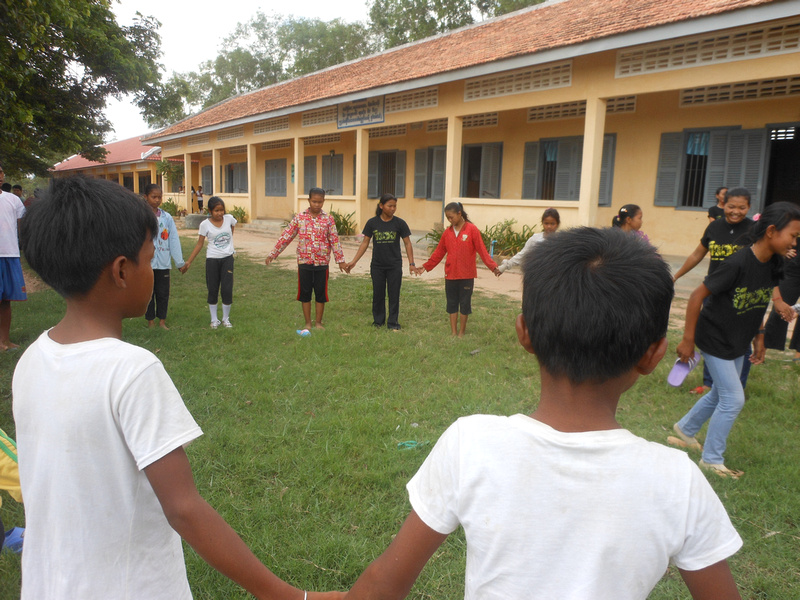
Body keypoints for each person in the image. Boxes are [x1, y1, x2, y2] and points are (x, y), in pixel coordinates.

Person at [342, 227, 742, 600]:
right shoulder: (678, 480)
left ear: (524, 333)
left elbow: (381, 587)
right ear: (654, 355)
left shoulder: (472, 443)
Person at [13, 177, 341, 599]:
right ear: (121, 271)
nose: (153, 269)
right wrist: (293, 596)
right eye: (150, 260)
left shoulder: (31, 361)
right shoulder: (132, 371)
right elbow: (185, 509)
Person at [671, 202, 800, 478]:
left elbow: (763, 296)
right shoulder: (737, 263)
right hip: (715, 337)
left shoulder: (775, 262)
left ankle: (686, 429)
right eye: (793, 235)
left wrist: (760, 336)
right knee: (733, 399)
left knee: (721, 393)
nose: (794, 242)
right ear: (771, 231)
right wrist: (687, 340)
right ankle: (711, 460)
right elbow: (696, 297)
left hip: (739, 339)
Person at [672, 188, 756, 393]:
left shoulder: (755, 229)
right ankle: (710, 384)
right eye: (731, 206)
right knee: (710, 338)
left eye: (742, 207)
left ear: (749, 207)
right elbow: (697, 254)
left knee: (741, 340)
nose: (736, 211)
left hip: (741, 294)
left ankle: (737, 387)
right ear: (723, 205)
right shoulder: (714, 228)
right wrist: (674, 277)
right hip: (713, 291)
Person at [265, 188, 346, 330]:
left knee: (321, 293)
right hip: (304, 262)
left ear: (323, 201)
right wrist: (273, 253)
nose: (317, 205)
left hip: (322, 263)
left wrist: (340, 260)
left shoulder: (328, 219)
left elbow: (334, 240)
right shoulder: (300, 218)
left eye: (320, 202)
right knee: (305, 293)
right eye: (314, 201)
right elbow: (287, 236)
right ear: (309, 201)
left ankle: (318, 323)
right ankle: (308, 323)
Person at [345, 194, 418, 330]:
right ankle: (378, 322)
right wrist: (354, 261)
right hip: (377, 265)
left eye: (394, 206)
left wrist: (411, 263)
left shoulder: (399, 223)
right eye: (389, 205)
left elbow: (407, 243)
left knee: (394, 294)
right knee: (378, 294)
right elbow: (365, 243)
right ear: (381, 206)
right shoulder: (372, 223)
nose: (392, 208)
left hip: (394, 265)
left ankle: (393, 323)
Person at [183, 196, 237, 328]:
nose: (220, 213)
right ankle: (214, 320)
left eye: (222, 210)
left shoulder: (229, 219)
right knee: (212, 288)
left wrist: (229, 246)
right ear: (210, 211)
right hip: (212, 260)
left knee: (227, 289)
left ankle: (225, 319)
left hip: (227, 259)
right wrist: (189, 262)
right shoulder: (204, 225)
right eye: (216, 210)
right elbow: (199, 244)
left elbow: (231, 230)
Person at [143, 184, 185, 330]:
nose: (157, 200)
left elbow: (173, 239)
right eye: (153, 197)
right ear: (146, 197)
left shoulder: (166, 217)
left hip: (163, 262)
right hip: (146, 263)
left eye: (159, 197)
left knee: (163, 293)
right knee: (149, 293)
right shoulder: (140, 216)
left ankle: (162, 321)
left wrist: (179, 262)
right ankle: (150, 321)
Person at [0, 163, 26, 351]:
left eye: (1, 171)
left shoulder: (13, 200)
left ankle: (4, 341)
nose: (0, 175)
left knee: (6, 300)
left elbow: (21, 226)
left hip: (9, 254)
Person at [496, 208, 560, 275]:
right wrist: (505, 266)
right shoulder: (535, 239)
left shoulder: (561, 241)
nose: (549, 226)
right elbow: (522, 255)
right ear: (542, 223)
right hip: (537, 276)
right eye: (546, 223)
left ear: (557, 224)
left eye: (552, 224)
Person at [764, 251, 800, 361]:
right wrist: (785, 248)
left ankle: (798, 357)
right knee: (780, 308)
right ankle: (761, 349)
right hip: (794, 264)